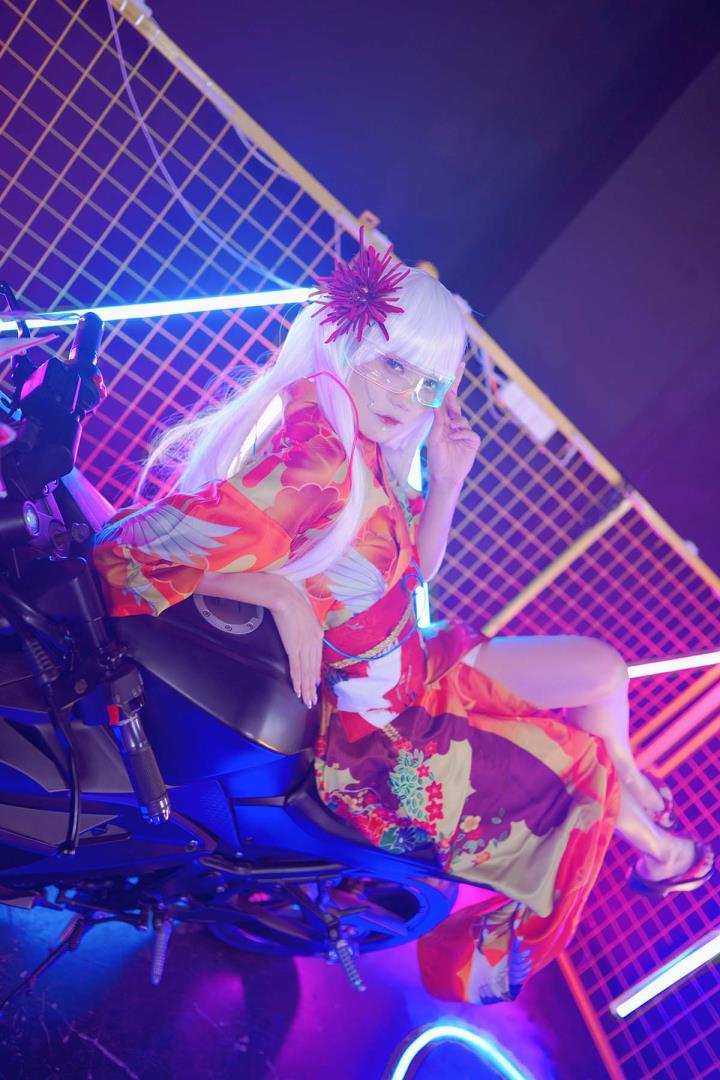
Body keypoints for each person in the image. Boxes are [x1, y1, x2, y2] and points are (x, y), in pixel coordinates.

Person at [92, 232, 715, 1004]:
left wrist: (447, 481)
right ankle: (653, 851)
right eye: (393, 365)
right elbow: (126, 554)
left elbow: (413, 570)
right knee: (572, 775)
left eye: (428, 384)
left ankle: (632, 783)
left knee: (603, 672)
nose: (406, 396)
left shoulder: (365, 442)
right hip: (379, 730)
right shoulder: (316, 454)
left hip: (417, 659)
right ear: (350, 340)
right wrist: (280, 594)